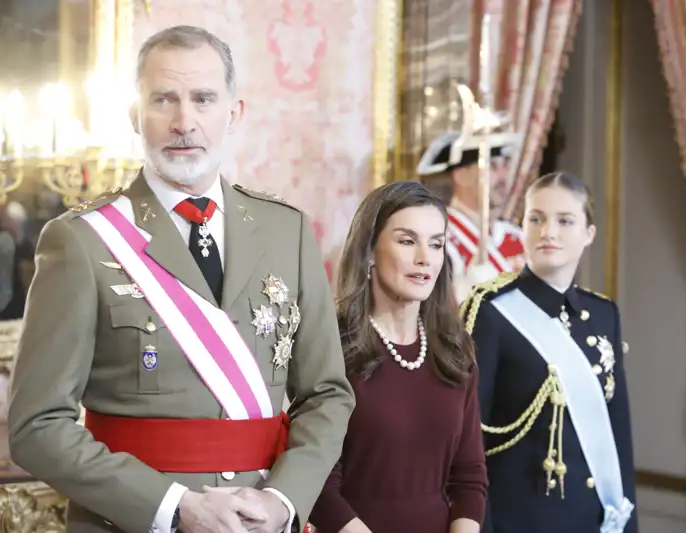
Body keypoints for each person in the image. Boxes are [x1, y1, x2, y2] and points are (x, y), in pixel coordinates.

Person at [8, 25, 355, 533]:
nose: (183, 121)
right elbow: (36, 428)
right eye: (163, 99)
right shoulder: (81, 240)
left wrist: (283, 501)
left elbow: (326, 394)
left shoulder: (288, 231)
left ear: (233, 113)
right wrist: (173, 506)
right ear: (134, 115)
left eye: (203, 99)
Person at [308, 181, 488, 533]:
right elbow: (315, 480)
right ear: (370, 250)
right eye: (408, 241)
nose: (425, 257)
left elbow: (469, 476)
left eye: (436, 244)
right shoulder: (331, 344)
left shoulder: (455, 351)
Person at [463, 171, 637, 533]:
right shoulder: (491, 311)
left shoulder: (604, 314)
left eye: (565, 221)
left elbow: (617, 434)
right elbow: (467, 440)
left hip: (591, 519)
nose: (548, 232)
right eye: (536, 219)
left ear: (588, 234)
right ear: (522, 227)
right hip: (519, 520)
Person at [417, 116, 525, 305]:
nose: (503, 176)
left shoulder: (518, 236)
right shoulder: (437, 238)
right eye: (492, 166)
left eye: (505, 165)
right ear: (460, 175)